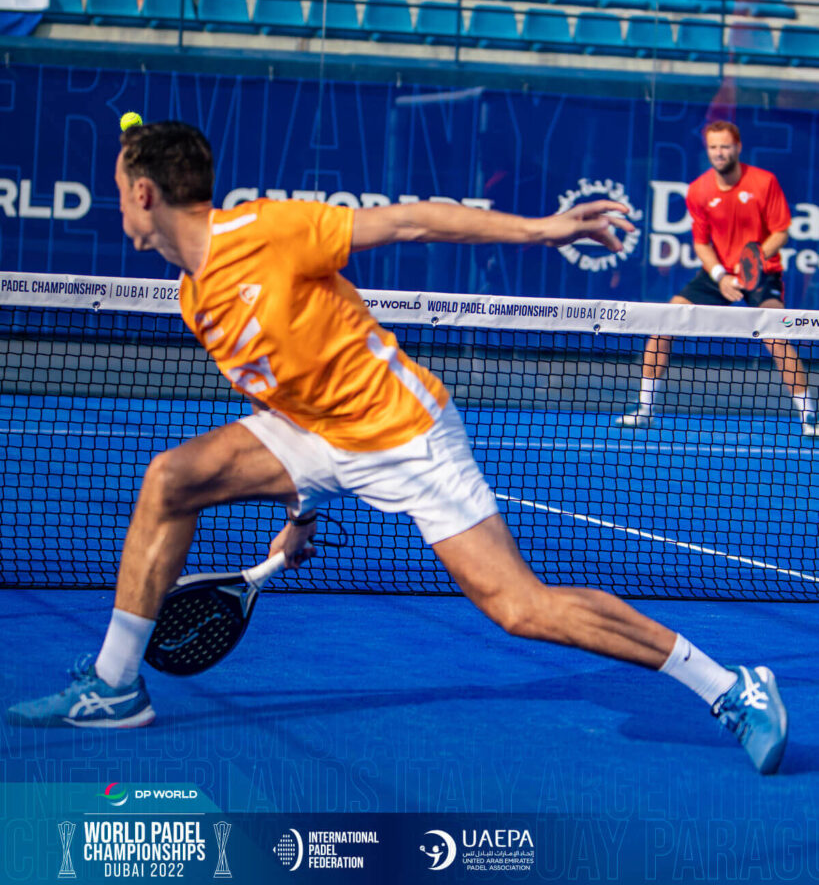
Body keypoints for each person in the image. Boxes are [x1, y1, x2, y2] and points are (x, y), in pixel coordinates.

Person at [6, 122, 788, 775]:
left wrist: (541, 229)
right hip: (316, 434)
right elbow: (280, 392)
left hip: (405, 437)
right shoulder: (192, 295)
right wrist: (300, 509)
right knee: (170, 479)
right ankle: (115, 685)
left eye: (120, 189)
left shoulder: (265, 230)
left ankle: (729, 687)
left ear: (144, 193)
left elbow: (412, 220)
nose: (119, 204)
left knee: (520, 609)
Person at [618, 120, 815, 434]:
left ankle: (809, 417)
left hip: (761, 272)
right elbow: (701, 243)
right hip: (718, 274)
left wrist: (753, 261)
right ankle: (644, 410)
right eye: (713, 147)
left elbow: (781, 232)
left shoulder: (764, 182)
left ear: (737, 147)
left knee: (776, 335)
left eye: (725, 146)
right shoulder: (698, 190)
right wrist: (722, 275)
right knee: (662, 324)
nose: (719, 152)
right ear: (707, 150)